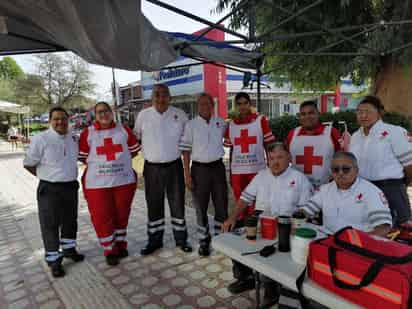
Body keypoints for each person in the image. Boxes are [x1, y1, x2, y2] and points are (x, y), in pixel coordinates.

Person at [223, 143, 312, 306]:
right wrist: (232, 218)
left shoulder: (299, 179)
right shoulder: (261, 176)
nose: (275, 162)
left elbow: (305, 211)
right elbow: (245, 198)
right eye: (271, 158)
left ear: (289, 158)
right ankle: (245, 278)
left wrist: (294, 226)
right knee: (232, 236)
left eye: (280, 157)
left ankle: (272, 291)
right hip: (260, 223)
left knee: (276, 257)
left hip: (287, 225)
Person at [223, 92, 276, 294]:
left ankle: (262, 267)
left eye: (246, 103)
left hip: (257, 171)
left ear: (250, 104)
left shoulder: (261, 120)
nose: (243, 107)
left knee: (258, 218)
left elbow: (269, 147)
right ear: (235, 106)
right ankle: (244, 273)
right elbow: (233, 152)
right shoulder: (231, 125)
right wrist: (230, 174)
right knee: (242, 219)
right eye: (239, 104)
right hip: (238, 173)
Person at [23, 107, 84, 278]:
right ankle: (54, 260)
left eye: (63, 119)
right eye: (56, 119)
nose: (60, 122)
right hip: (49, 189)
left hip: (70, 187)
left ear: (68, 120)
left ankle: (69, 250)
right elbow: (28, 163)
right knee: (50, 224)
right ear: (50, 120)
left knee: (70, 221)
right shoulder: (40, 139)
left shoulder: (73, 137)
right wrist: (45, 177)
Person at [79, 102, 139, 266]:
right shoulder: (87, 133)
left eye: (106, 111)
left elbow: (133, 151)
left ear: (111, 112)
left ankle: (120, 244)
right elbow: (83, 156)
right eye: (99, 112)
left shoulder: (124, 130)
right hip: (97, 185)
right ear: (95, 115)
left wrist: (117, 166)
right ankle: (109, 249)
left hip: (122, 182)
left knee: (121, 213)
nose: (103, 114)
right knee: (102, 216)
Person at [134, 84, 192, 255]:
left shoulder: (180, 115)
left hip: (174, 166)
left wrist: (187, 170)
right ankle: (154, 240)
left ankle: (181, 239)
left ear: (170, 97)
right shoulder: (143, 115)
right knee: (154, 205)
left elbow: (187, 144)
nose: (161, 98)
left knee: (178, 204)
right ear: (152, 97)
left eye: (164, 95)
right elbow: (135, 138)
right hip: (152, 168)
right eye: (157, 95)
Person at [349, 95, 412, 225]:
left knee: (399, 229)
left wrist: (402, 184)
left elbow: (409, 164)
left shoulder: (394, 132)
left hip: (391, 189)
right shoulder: (355, 136)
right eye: (360, 112)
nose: (363, 115)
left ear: (379, 113)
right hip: (363, 189)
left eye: (368, 112)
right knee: (368, 227)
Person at [179, 93, 228, 257]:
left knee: (221, 204)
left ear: (212, 106)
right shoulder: (190, 125)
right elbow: (185, 151)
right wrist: (187, 174)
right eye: (201, 104)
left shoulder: (221, 123)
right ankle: (204, 241)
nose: (204, 107)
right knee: (201, 207)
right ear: (197, 106)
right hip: (199, 170)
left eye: (207, 104)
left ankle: (221, 239)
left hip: (218, 168)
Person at [299, 151, 392, 236]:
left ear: (356, 170)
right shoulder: (325, 189)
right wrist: (294, 220)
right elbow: (305, 211)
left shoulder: (372, 192)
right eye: (336, 169)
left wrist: (362, 243)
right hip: (328, 239)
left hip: (357, 243)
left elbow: (383, 228)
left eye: (346, 169)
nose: (340, 173)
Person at [286, 100, 341, 189]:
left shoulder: (332, 132)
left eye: (311, 113)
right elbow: (286, 158)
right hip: (297, 189)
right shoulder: (292, 134)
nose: (307, 116)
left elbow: (342, 159)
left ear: (318, 114)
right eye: (303, 114)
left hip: (326, 189)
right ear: (299, 116)